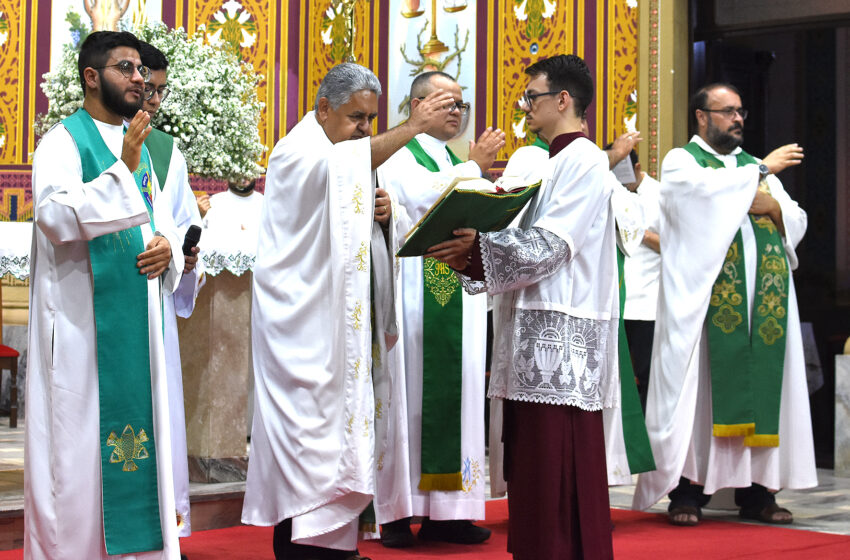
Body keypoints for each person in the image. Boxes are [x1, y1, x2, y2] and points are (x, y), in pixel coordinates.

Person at [241, 62, 455, 560]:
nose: (364, 128)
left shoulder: (345, 154)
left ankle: (338, 544)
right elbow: (336, 173)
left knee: (344, 437)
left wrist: (385, 212)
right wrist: (412, 128)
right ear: (323, 109)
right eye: (356, 117)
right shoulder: (297, 150)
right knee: (308, 445)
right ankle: (305, 548)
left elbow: (355, 190)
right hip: (303, 330)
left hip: (343, 331)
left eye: (371, 118)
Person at [426, 54, 617, 560]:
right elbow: (519, 234)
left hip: (561, 335)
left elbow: (553, 244)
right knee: (533, 471)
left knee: (558, 469)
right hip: (529, 326)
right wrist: (472, 239)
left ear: (563, 99)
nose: (525, 106)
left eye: (532, 97)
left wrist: (478, 252)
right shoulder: (548, 162)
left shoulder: (585, 161)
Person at [26, 31, 183, 558]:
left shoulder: (132, 140)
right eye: (126, 68)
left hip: (138, 330)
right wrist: (126, 166)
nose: (140, 79)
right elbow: (55, 218)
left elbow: (161, 226)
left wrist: (169, 252)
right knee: (78, 461)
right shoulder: (61, 143)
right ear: (92, 77)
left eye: (141, 69)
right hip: (80, 332)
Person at [632, 83, 816, 526]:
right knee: (699, 399)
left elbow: (795, 217)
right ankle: (687, 492)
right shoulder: (682, 162)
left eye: (740, 111)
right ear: (701, 116)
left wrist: (771, 203)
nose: (737, 119)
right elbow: (698, 202)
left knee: (762, 391)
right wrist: (754, 180)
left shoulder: (751, 167)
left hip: (764, 306)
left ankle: (757, 493)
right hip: (703, 308)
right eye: (727, 111)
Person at [376, 71, 504, 548]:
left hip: (457, 289)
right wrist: (475, 171)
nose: (456, 111)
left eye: (461, 105)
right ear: (415, 105)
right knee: (407, 396)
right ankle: (395, 514)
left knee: (464, 389)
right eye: (445, 102)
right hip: (413, 295)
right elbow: (421, 197)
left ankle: (447, 514)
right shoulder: (397, 153)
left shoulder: (450, 158)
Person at [140, 40, 204, 542]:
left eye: (161, 90)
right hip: (110, 303)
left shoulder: (166, 150)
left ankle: (164, 527)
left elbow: (186, 223)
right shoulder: (78, 140)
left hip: (154, 303)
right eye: (146, 86)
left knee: (161, 412)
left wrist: (188, 256)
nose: (152, 99)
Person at [620, 149, 661, 412]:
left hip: (648, 302)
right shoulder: (612, 192)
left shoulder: (661, 195)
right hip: (617, 300)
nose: (621, 183)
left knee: (647, 376)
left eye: (624, 175)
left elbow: (676, 246)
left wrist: (640, 233)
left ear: (637, 167)